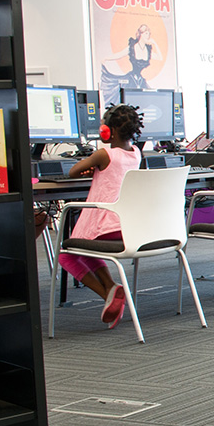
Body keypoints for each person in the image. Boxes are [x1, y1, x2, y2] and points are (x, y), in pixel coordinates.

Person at [56, 104, 144, 329]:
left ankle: (107, 294)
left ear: (108, 132)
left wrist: (91, 166)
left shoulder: (104, 154)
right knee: (87, 249)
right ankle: (112, 288)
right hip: (127, 226)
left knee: (67, 256)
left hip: (104, 225)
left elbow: (73, 172)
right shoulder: (136, 153)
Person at [98, 24, 160, 106]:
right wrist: (106, 58)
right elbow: (119, 54)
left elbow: (159, 57)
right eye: (146, 33)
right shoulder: (132, 47)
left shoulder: (147, 50)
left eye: (149, 34)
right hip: (130, 78)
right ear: (141, 34)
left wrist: (155, 44)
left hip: (140, 80)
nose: (148, 36)